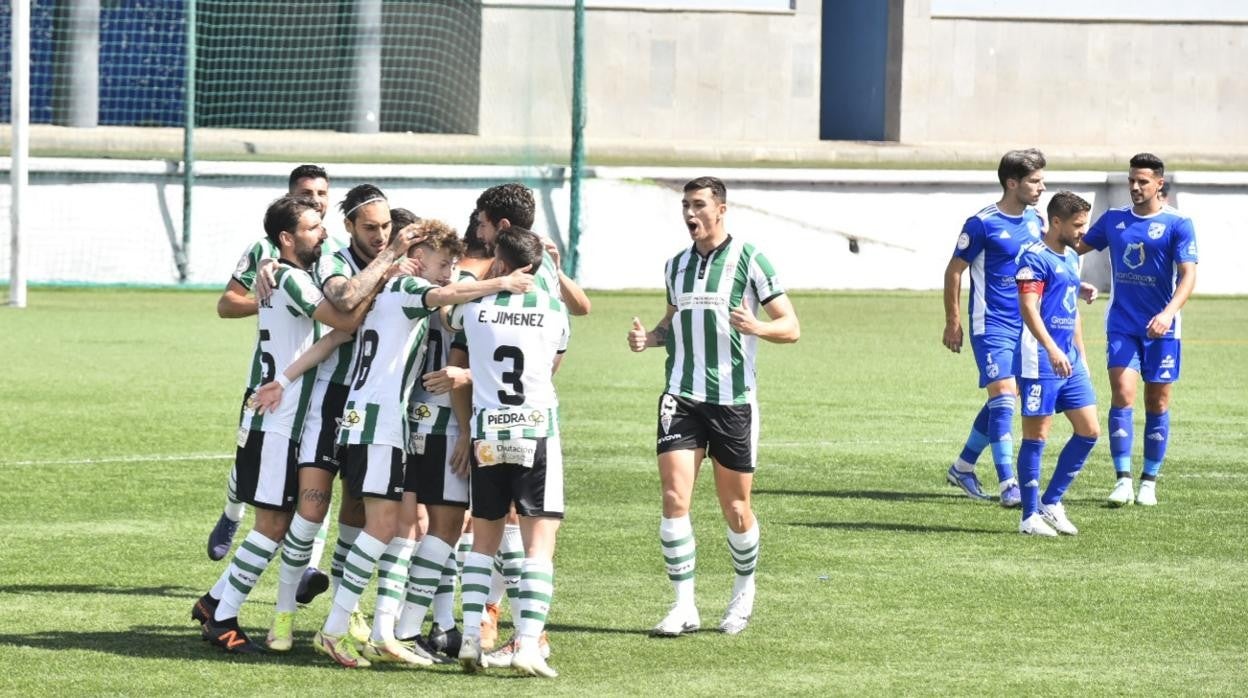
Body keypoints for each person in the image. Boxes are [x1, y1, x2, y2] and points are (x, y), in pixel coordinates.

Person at [309, 220, 536, 669]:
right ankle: (334, 629)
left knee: (392, 526)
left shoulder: (394, 287)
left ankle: (382, 633)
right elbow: (445, 297)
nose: (448, 272)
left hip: (380, 420)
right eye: (443, 263)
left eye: (453, 264)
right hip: (377, 420)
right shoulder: (409, 286)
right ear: (419, 258)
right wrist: (503, 281)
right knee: (382, 528)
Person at [190, 194, 379, 653]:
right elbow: (345, 320)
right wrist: (386, 267)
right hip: (276, 418)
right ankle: (222, 616)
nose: (324, 234)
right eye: (314, 228)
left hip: (283, 416)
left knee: (282, 520)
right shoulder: (292, 278)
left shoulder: (288, 273)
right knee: (273, 524)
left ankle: (215, 601)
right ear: (288, 239)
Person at [627, 176, 799, 637]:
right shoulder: (675, 266)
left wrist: (757, 328)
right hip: (681, 396)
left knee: (736, 506)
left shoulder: (750, 259)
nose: (690, 213)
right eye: (685, 205)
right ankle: (683, 605)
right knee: (673, 498)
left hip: (732, 400)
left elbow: (791, 326)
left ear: (720, 209)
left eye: (698, 205)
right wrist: (650, 339)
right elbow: (671, 322)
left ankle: (743, 592)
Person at [260, 190, 425, 653]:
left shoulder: (401, 264)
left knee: (357, 512)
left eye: (387, 227)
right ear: (350, 227)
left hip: (373, 407)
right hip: (330, 399)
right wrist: (390, 258)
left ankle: (346, 611)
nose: (380, 235)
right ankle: (283, 615)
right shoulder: (333, 259)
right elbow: (346, 302)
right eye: (370, 228)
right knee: (311, 511)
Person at [451, 227, 570, 677]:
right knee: (540, 543)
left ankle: (469, 639)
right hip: (536, 430)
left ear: (499, 262)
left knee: (483, 542)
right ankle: (526, 645)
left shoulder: (473, 308)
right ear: (537, 265)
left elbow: (457, 340)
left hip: (486, 431)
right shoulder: (555, 311)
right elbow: (552, 366)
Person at [206, 165, 333, 578]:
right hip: (270, 377)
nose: (315, 199)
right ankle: (231, 512)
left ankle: (309, 566)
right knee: (253, 462)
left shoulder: (333, 250)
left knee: (317, 471)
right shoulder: (266, 251)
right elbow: (227, 304)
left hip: (317, 376)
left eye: (321, 193)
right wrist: (277, 297)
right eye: (306, 192)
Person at [1077, 153, 1198, 506]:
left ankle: (1149, 481)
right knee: (1122, 392)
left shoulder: (1179, 223)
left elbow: (1188, 274)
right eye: (1132, 180)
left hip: (1163, 329)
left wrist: (1168, 313)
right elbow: (1073, 247)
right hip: (1122, 323)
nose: (1134, 187)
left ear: (1159, 183)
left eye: (1142, 181)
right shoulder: (1114, 220)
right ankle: (1123, 480)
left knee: (1157, 400)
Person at [941, 149, 1048, 507]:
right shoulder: (981, 223)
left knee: (1004, 399)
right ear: (1012, 182)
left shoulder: (1036, 221)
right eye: (1035, 181)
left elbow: (1042, 264)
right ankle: (1008, 484)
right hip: (991, 324)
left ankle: (963, 466)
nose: (1041, 187)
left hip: (1027, 326)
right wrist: (953, 321)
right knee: (1004, 397)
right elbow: (954, 270)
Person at [1013, 192, 1100, 536]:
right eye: (1078, 225)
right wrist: (1051, 348)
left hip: (1070, 360)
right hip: (1041, 359)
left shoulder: (1070, 257)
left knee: (1089, 431)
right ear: (1057, 223)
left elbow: (1068, 306)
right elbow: (1029, 308)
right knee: (1037, 436)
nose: (1083, 231)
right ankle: (1029, 517)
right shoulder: (1033, 258)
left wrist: (1082, 356)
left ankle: (1052, 502)